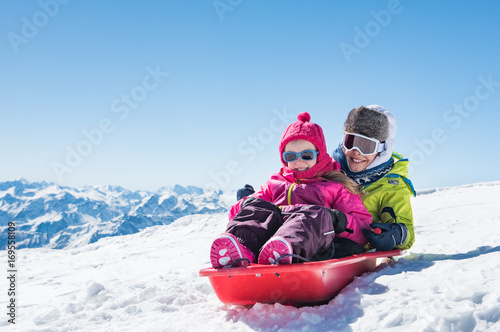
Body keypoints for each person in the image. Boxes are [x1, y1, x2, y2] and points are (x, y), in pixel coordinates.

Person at [210, 112, 372, 268]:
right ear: (283, 158)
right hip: (267, 241)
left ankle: (283, 252)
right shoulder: (275, 183)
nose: (299, 161)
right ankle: (240, 250)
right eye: (291, 157)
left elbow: (362, 229)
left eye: (307, 155)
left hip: (313, 247)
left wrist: (338, 220)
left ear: (319, 155)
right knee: (258, 207)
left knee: (316, 215)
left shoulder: (335, 186)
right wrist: (246, 203)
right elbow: (242, 214)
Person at [332, 105, 416, 251]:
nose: (356, 152)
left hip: (354, 247)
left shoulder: (391, 185)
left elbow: (406, 230)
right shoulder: (330, 172)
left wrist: (396, 234)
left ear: (383, 150)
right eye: (351, 142)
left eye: (366, 146)